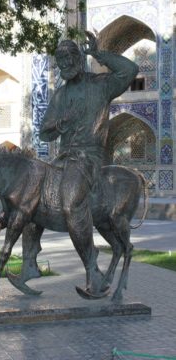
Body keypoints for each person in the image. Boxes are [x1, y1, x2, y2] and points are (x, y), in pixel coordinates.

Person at [39, 31, 139, 295]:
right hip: (63, 158)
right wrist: (61, 122)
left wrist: (98, 54)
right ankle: (29, 263)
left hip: (88, 157)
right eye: (59, 63)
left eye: (68, 60)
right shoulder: (60, 95)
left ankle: (92, 269)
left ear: (78, 59)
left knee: (71, 201)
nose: (64, 66)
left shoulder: (100, 85)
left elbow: (130, 69)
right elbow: (44, 131)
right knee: (30, 198)